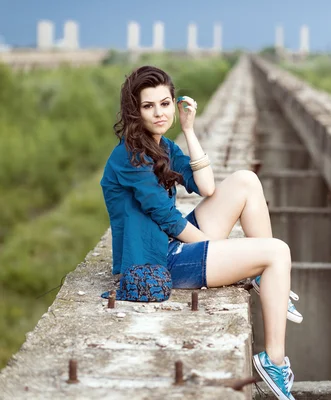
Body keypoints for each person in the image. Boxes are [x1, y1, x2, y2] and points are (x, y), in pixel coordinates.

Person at [100, 65, 299, 399]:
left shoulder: (161, 146)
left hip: (172, 243)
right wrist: (220, 249)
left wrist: (190, 131)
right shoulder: (129, 158)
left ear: (174, 103)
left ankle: (265, 281)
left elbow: (206, 188)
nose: (159, 113)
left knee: (246, 180)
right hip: (156, 260)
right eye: (149, 106)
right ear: (136, 111)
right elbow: (167, 219)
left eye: (165, 104)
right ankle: (274, 361)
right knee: (277, 252)